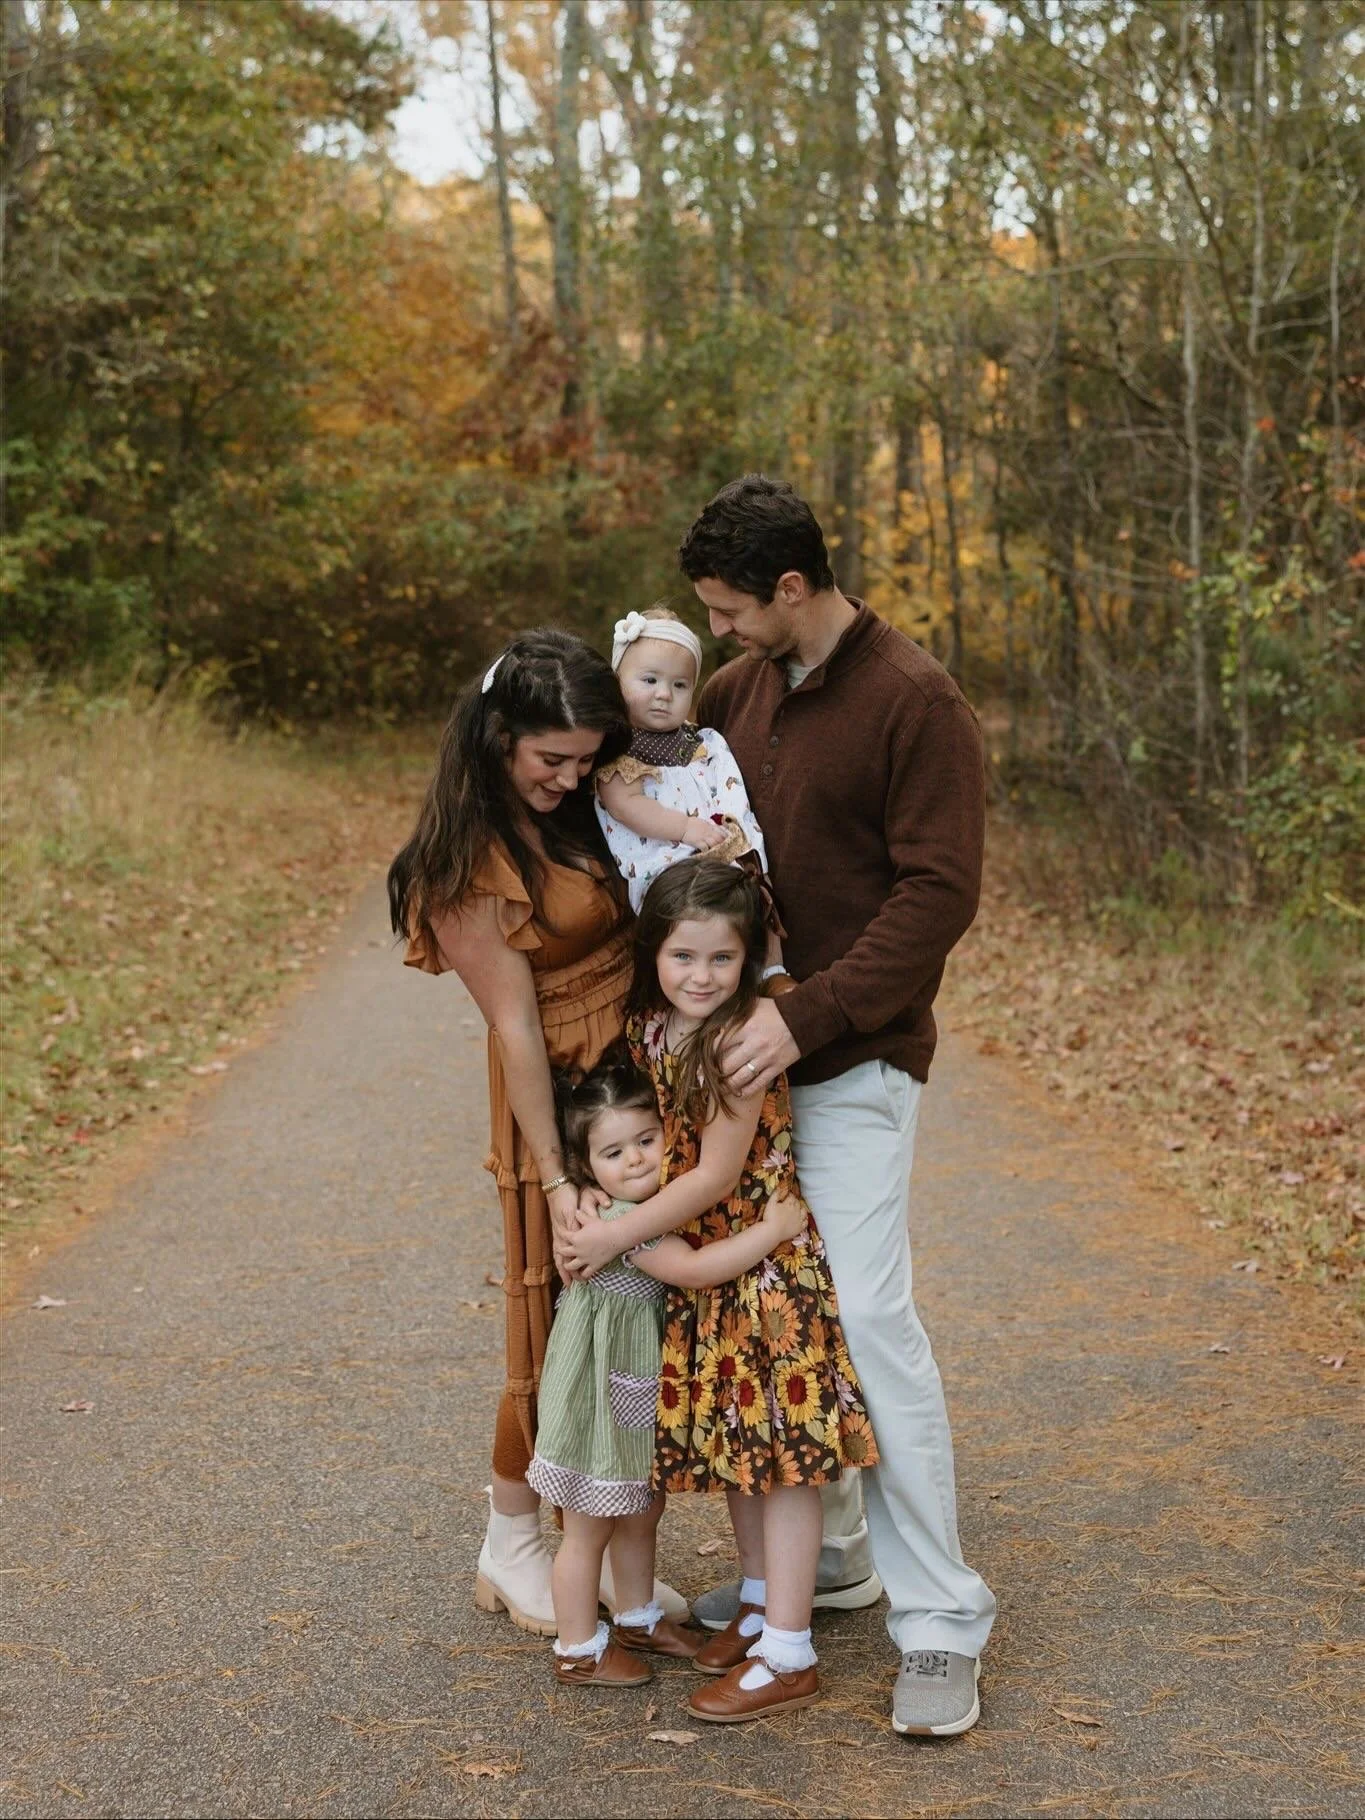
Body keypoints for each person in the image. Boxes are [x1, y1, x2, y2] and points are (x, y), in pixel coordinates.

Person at [677, 473, 997, 1738]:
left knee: (868, 1314)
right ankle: (842, 1561)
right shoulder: (730, 696)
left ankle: (943, 1619)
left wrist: (800, 1013)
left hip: (855, 1059)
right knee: (779, 1315)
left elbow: (938, 896)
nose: (720, 632)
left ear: (793, 587)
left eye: (731, 609)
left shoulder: (917, 703)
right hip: (735, 1079)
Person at [387, 628, 687, 1637]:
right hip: (552, 1098)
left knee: (632, 1311)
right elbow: (513, 1022)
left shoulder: (568, 811)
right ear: (497, 735)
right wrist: (556, 1179)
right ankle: (512, 1535)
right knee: (551, 1313)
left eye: (582, 757)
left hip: (621, 1078)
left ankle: (591, 1538)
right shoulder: (469, 856)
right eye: (548, 757)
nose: (568, 775)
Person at [561, 858, 877, 1723]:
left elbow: (712, 1174)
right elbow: (623, 1128)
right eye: (683, 958)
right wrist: (589, 1187)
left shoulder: (741, 1042)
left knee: (782, 1461)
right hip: (713, 1274)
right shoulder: (648, 1030)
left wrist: (616, 1234)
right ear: (652, 955)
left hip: (763, 1269)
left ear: (746, 962)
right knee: (746, 1452)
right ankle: (754, 1599)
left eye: (721, 961)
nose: (701, 977)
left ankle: (789, 1650)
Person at [527, 1056, 806, 1686]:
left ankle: (637, 1614)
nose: (634, 1161)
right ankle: (578, 1649)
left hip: (621, 1389)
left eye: (646, 1142)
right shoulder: (628, 1226)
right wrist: (773, 1231)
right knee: (588, 1526)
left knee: (639, 1508)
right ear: (586, 1168)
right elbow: (695, 1271)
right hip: (602, 1401)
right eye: (613, 1152)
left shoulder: (620, 1212)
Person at [594, 607, 771, 934]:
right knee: (693, 925)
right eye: (649, 680)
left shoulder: (700, 742)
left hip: (718, 848)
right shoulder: (621, 749)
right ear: (617, 682)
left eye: (679, 685)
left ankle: (770, 968)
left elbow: (727, 788)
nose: (664, 694)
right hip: (667, 866)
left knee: (754, 899)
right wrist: (685, 828)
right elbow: (625, 805)